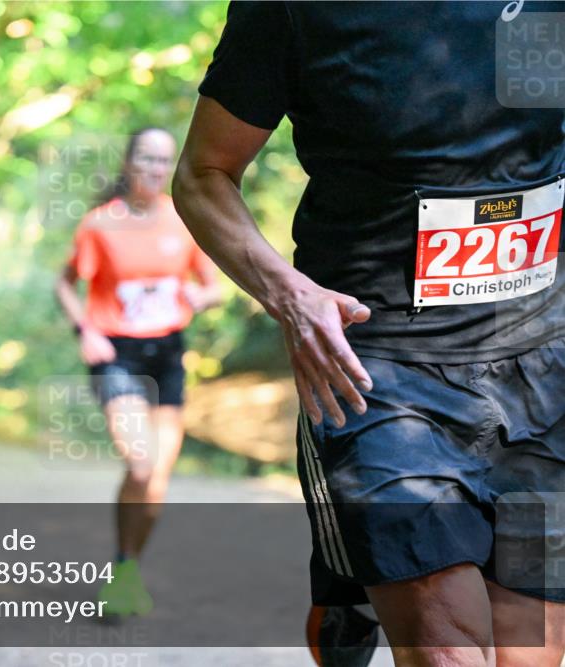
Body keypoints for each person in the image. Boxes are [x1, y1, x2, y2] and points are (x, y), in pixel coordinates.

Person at [174, 2, 564, 666]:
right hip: (377, 373)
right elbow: (204, 174)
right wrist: (288, 294)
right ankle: (359, 560)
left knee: (530, 654)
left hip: (540, 367)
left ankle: (349, 572)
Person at [55, 127, 223, 616]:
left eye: (163, 161)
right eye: (146, 159)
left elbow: (212, 286)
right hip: (118, 357)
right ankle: (125, 569)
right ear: (128, 163)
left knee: (156, 485)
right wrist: (84, 329)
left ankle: (126, 569)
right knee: (141, 463)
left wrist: (200, 295)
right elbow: (65, 285)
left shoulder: (184, 219)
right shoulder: (99, 225)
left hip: (168, 355)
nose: (154, 169)